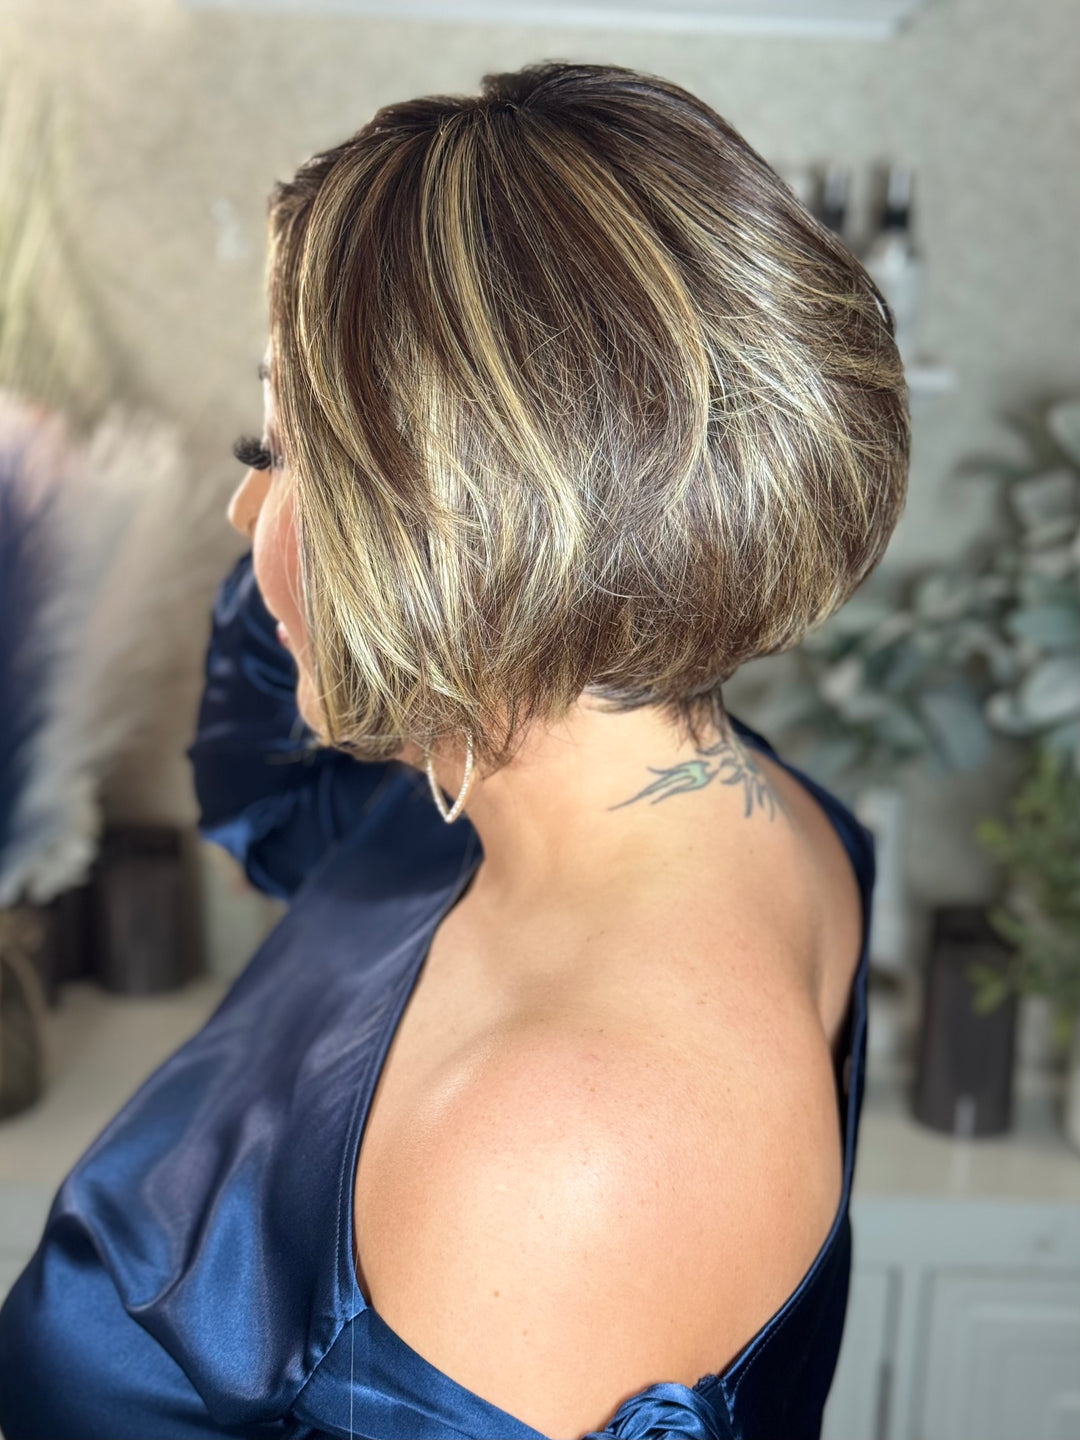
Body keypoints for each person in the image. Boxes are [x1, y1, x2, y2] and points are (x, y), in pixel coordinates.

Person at [0, 61, 907, 1440]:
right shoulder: (710, 807)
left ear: (461, 529)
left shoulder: (551, 1153)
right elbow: (263, 805)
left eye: (279, 454)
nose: (243, 510)